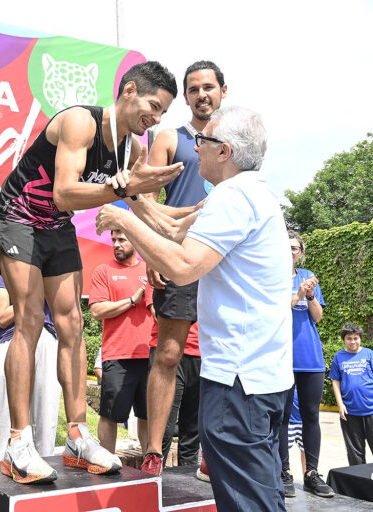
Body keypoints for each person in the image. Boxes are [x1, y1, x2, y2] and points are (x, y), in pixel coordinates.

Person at [0, 60, 183, 483]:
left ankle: (77, 436)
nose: (156, 117)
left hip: (54, 226)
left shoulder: (135, 148)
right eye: (153, 105)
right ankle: (18, 442)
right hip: (19, 215)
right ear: (129, 90)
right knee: (29, 320)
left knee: (72, 324)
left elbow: (143, 207)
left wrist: (182, 220)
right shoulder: (81, 122)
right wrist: (124, 187)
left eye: (164, 112)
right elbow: (63, 193)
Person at [96, 106, 294, 511]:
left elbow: (183, 267)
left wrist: (122, 220)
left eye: (203, 142)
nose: (195, 149)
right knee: (262, 491)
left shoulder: (232, 198)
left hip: (239, 384)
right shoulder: (251, 193)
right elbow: (172, 228)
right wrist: (129, 196)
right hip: (263, 379)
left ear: (225, 152)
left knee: (247, 500)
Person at [139, 60, 227, 475]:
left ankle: (213, 453)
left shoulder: (234, 141)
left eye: (208, 87)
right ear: (186, 97)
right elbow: (146, 199)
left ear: (223, 91)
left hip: (223, 261)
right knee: (169, 354)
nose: (201, 95)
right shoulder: (168, 138)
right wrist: (152, 253)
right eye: (193, 89)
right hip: (178, 258)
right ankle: (154, 451)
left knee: (220, 357)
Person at [278, 231, 334, 498]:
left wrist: (310, 296)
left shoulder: (307, 275)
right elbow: (273, 312)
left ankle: (311, 473)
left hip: (310, 359)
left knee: (312, 416)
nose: (290, 251)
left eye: (295, 248)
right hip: (280, 358)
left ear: (301, 253)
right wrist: (298, 295)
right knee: (282, 417)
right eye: (286, 246)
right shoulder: (271, 276)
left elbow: (318, 317)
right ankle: (283, 472)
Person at [89, 229, 154, 455]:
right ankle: (105, 461)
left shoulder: (150, 269)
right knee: (110, 415)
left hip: (150, 355)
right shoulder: (103, 271)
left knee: (148, 415)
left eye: (122, 240)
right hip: (117, 355)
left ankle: (150, 468)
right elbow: (97, 311)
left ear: (135, 240)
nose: (116, 244)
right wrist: (131, 300)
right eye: (113, 240)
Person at [0, 272, 60, 464]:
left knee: (45, 421)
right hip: (12, 338)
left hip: (47, 338)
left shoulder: (52, 267)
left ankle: (44, 480)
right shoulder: (0, 269)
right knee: (2, 421)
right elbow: (1, 316)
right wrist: (36, 292)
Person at [330, 322, 373, 465]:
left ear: (360, 338)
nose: (353, 341)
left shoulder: (369, 354)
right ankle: (359, 484)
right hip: (350, 413)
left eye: (356, 338)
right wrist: (340, 404)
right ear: (344, 339)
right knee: (355, 455)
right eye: (349, 338)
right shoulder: (338, 357)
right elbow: (335, 382)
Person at [148, 321, 200, 468]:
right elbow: (157, 310)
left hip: (202, 353)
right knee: (162, 429)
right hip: (168, 352)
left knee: (192, 432)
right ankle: (152, 477)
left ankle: (187, 483)